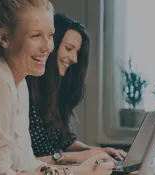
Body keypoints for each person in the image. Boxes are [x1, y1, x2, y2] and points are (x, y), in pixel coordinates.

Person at [0, 1, 115, 175]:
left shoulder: (20, 83)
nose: (48, 47)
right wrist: (77, 173)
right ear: (4, 38)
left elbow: (26, 164)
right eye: (35, 36)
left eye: (50, 35)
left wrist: (80, 169)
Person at [26, 13, 127, 165]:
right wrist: (80, 157)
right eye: (68, 48)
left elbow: (65, 142)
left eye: (77, 52)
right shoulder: (25, 91)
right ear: (51, 46)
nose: (74, 59)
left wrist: (98, 151)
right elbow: (22, 163)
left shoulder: (53, 91)